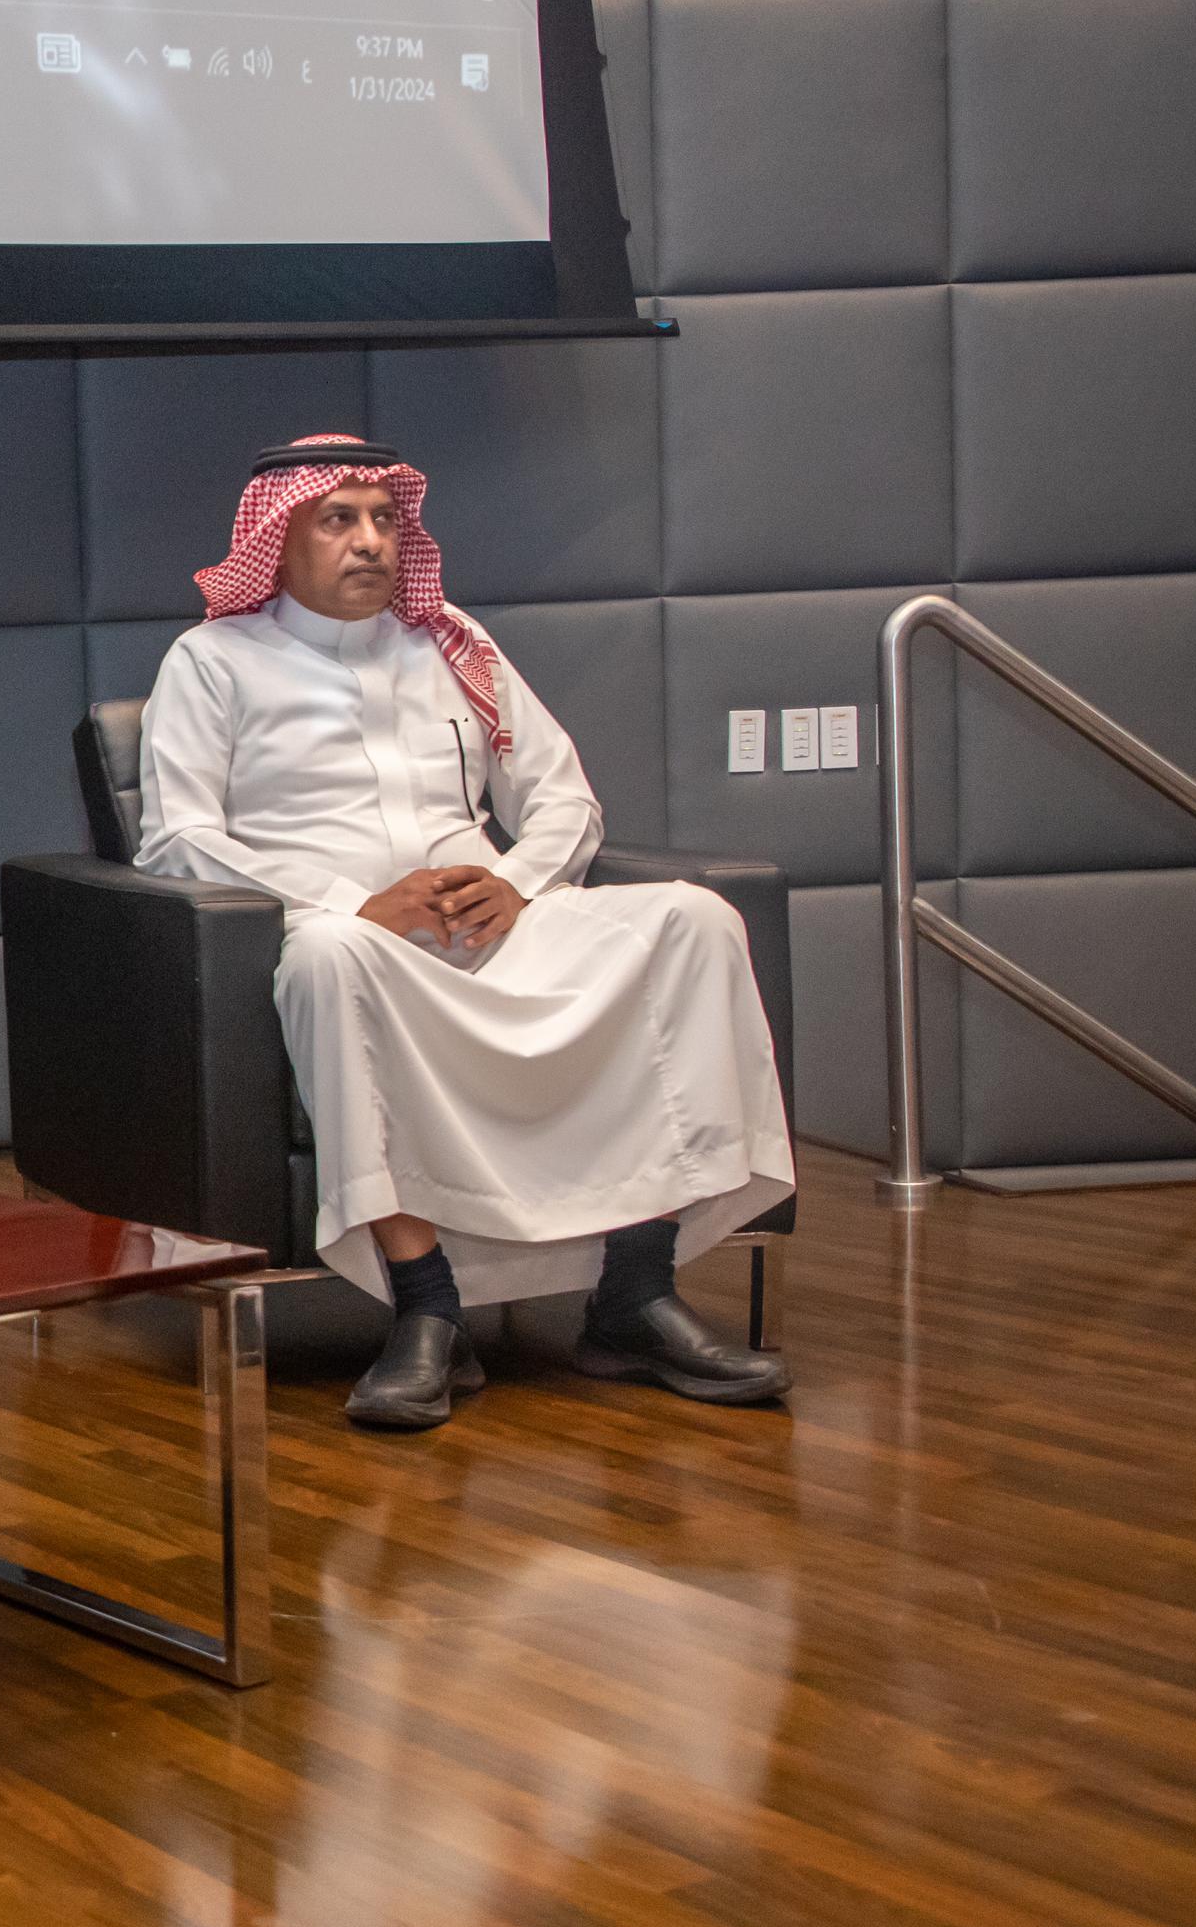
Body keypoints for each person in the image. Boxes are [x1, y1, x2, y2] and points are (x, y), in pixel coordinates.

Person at [138, 438, 794, 1431]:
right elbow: (177, 836)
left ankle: (635, 1290)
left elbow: (564, 799)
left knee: (692, 919)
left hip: (493, 927)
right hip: (351, 937)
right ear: (277, 538)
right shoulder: (213, 660)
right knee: (326, 957)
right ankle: (427, 1308)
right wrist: (349, 901)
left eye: (384, 519)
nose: (369, 540)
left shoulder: (453, 644)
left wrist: (515, 882)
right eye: (338, 519)